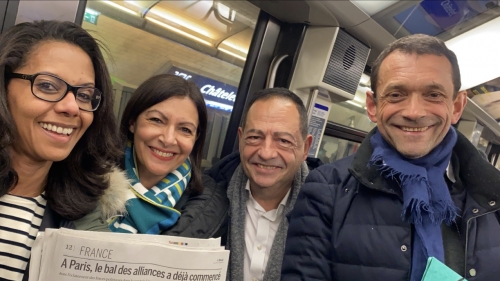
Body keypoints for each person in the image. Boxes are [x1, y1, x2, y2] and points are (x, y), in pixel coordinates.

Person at [281, 34, 500, 281]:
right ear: (373, 106)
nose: (414, 112)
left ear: (457, 106)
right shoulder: (326, 190)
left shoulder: (492, 196)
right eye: (396, 94)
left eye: (433, 95)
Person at [0, 20, 130, 281]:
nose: (72, 107)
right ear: (4, 88)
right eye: (47, 86)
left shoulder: (87, 218)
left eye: (84, 95)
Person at [207, 88, 313, 281]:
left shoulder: (326, 212)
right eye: (255, 137)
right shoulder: (207, 198)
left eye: (283, 140)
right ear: (241, 139)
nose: (266, 153)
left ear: (305, 148)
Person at [109, 74, 226, 236]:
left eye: (185, 129)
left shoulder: (209, 208)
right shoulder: (88, 179)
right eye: (157, 120)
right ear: (132, 122)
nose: (168, 139)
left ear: (195, 139)